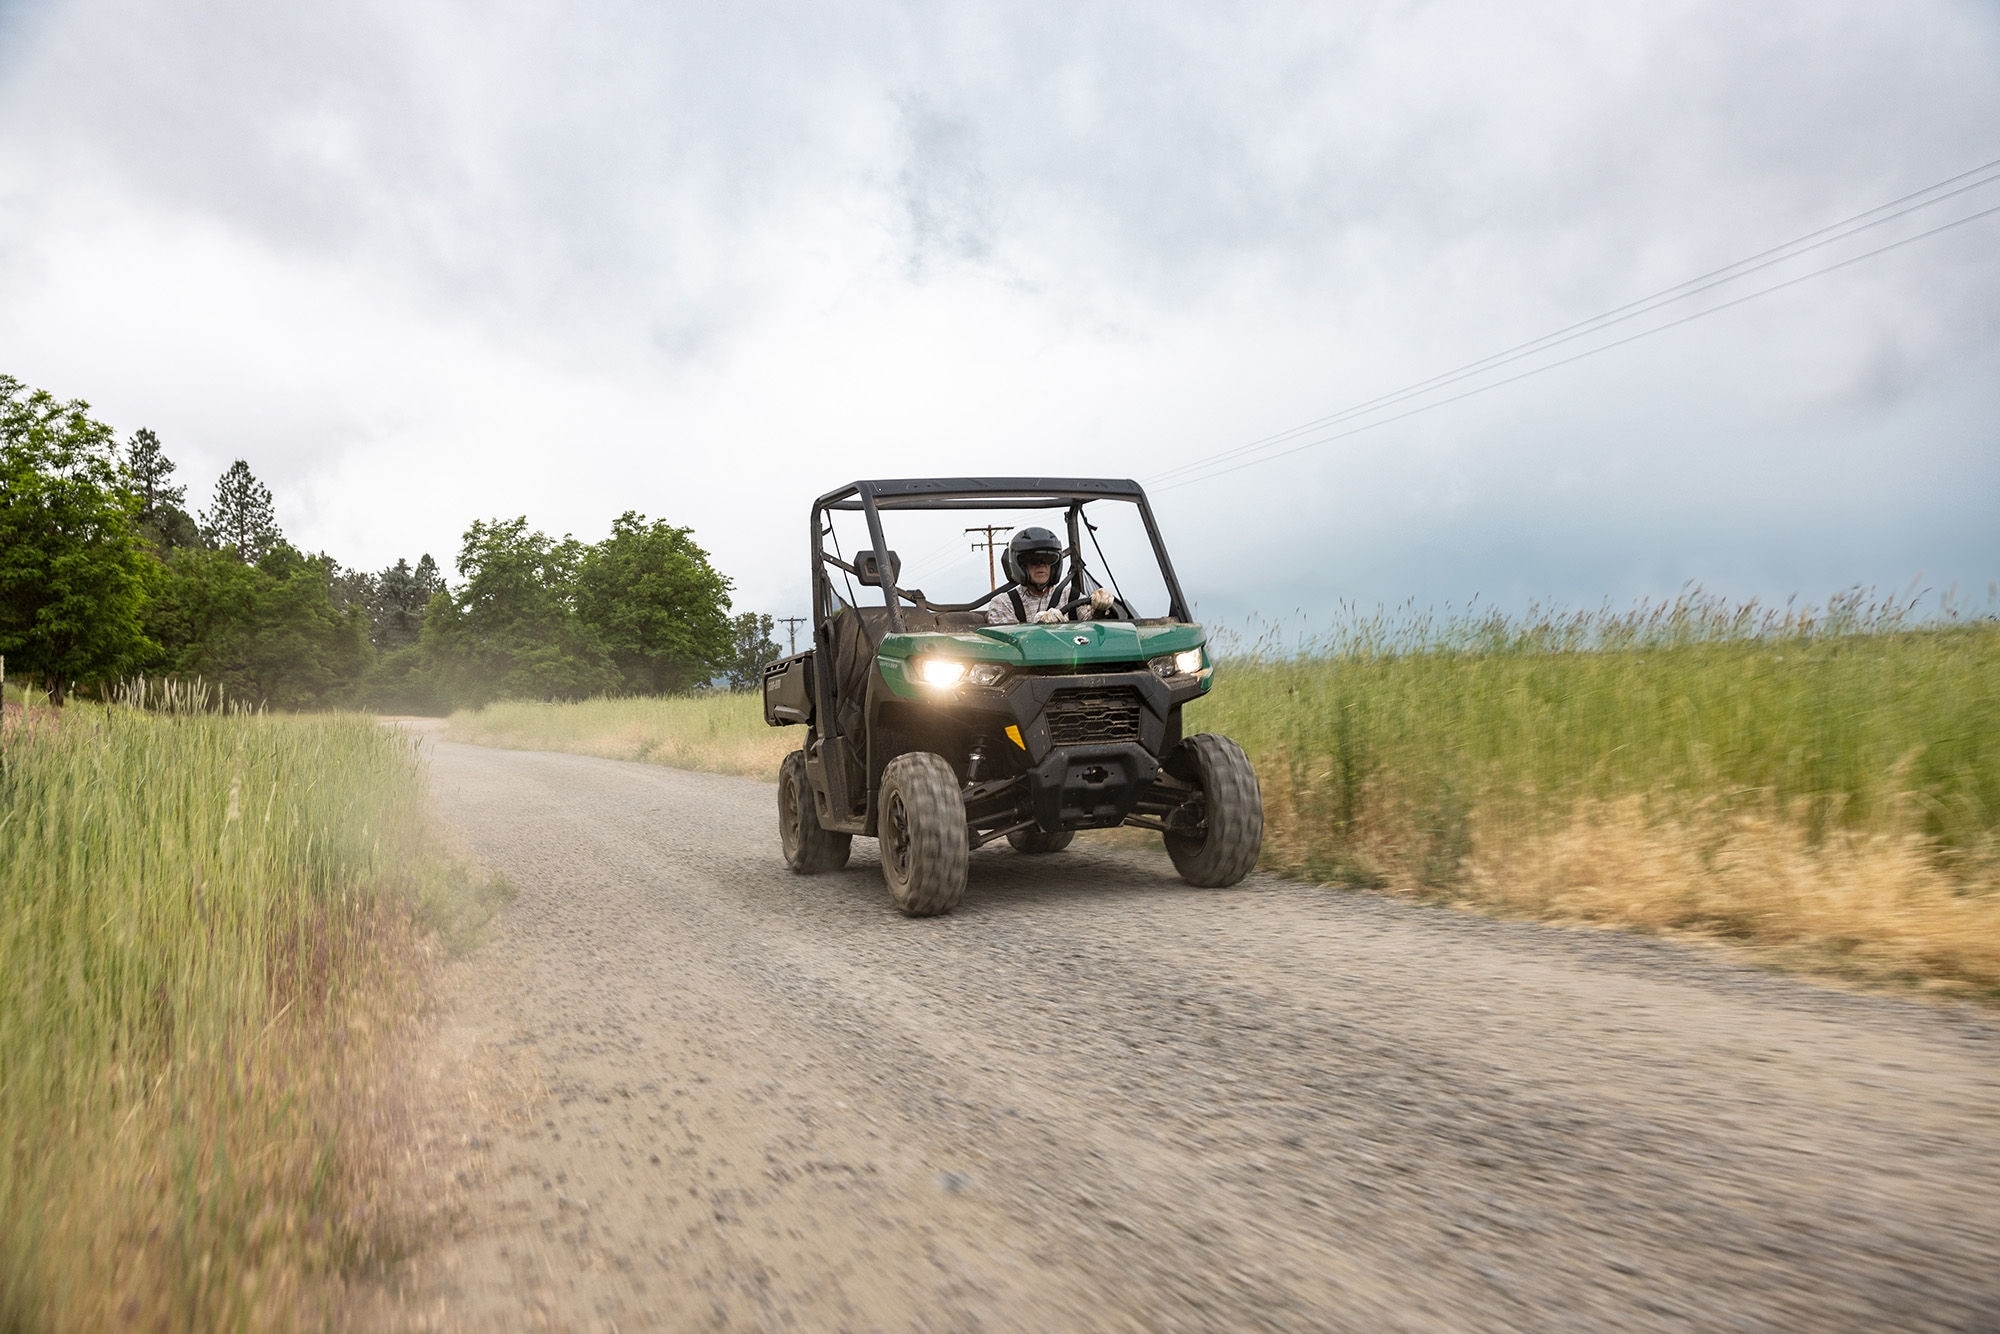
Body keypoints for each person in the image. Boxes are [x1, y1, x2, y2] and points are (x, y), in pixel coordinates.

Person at [987, 526, 1093, 624]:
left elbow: (1094, 624)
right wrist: (1039, 623)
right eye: (1034, 560)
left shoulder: (1070, 596)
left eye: (1048, 559)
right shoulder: (1003, 603)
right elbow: (1008, 638)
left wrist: (1100, 607)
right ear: (1020, 566)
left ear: (1055, 565)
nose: (1041, 565)